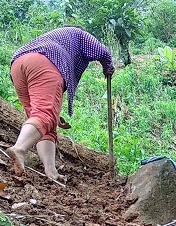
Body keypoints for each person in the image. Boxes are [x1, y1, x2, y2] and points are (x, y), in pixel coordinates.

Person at [6, 27, 114, 181]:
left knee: (44, 123)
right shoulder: (79, 34)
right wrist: (108, 67)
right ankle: (19, 149)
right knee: (45, 116)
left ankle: (51, 171)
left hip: (18, 64)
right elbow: (101, 50)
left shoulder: (58, 36)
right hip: (46, 61)